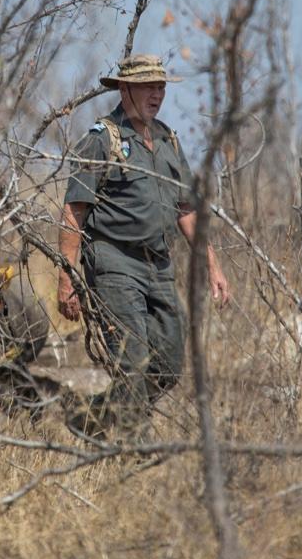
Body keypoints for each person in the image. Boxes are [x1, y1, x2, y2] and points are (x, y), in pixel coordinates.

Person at [57, 54, 231, 438]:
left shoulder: (168, 139)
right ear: (125, 89)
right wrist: (67, 278)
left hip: (160, 266)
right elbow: (74, 211)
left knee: (168, 363)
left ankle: (91, 417)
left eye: (161, 86)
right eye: (149, 86)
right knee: (132, 360)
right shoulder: (101, 140)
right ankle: (136, 456)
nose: (158, 94)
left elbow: (185, 207)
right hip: (114, 262)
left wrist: (211, 265)